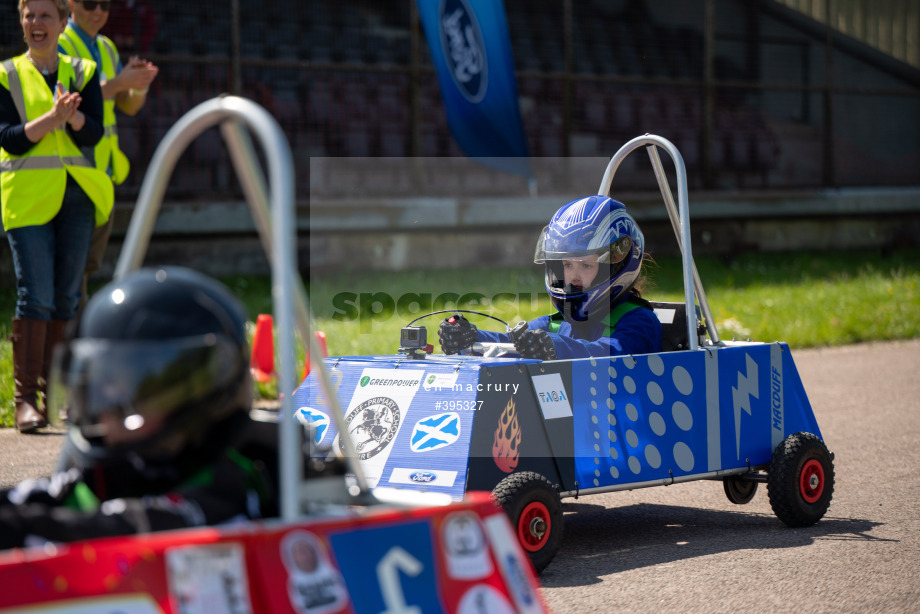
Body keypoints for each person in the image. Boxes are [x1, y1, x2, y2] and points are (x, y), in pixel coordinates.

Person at [0, 267, 279, 549]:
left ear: (200, 400)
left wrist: (18, 528)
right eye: (100, 388)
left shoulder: (229, 496)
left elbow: (135, 529)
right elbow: (38, 497)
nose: (107, 412)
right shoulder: (118, 473)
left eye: (130, 392)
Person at [1, 0, 113, 433]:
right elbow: (9, 139)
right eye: (29, 16)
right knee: (36, 296)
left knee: (67, 297)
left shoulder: (83, 71)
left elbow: (94, 132)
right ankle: (26, 401)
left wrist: (74, 116)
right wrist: (53, 118)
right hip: (28, 200)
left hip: (77, 197)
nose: (35, 24)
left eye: (45, 16)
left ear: (63, 23)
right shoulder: (6, 74)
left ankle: (62, 397)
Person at [439, 195, 663, 360]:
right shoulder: (556, 325)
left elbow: (611, 357)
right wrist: (470, 337)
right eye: (566, 264)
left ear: (618, 265)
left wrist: (556, 347)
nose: (573, 275)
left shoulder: (639, 321)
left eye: (586, 265)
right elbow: (509, 342)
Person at [58, 0, 159, 309]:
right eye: (90, 3)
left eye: (105, 4)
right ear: (71, 4)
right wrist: (119, 83)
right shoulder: (59, 42)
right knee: (72, 265)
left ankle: (76, 329)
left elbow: (126, 105)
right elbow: (68, 100)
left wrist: (138, 86)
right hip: (72, 171)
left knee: (88, 263)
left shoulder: (107, 47)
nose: (98, 10)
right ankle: (70, 333)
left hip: (102, 173)